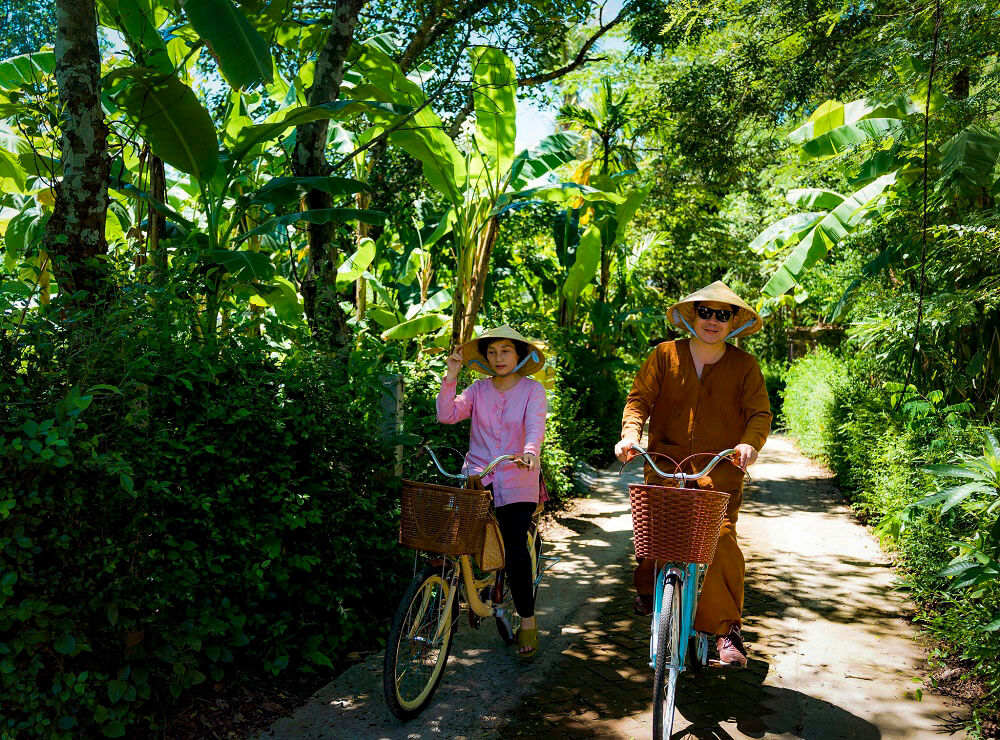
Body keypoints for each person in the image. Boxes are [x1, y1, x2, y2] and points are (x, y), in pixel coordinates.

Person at [614, 281, 772, 667]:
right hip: (664, 469)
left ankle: (725, 629)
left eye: (723, 314)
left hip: (720, 473)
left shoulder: (745, 367)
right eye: (706, 312)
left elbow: (759, 415)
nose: (713, 321)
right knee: (656, 537)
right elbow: (639, 400)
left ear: (733, 321)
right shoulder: (664, 356)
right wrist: (630, 435)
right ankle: (652, 590)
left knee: (721, 542)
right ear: (693, 315)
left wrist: (750, 444)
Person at [437, 325, 547, 659]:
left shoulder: (532, 390)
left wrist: (530, 451)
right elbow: (446, 415)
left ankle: (527, 620)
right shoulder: (477, 390)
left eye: (505, 351)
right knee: (455, 541)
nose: (498, 358)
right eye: (492, 352)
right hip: (478, 478)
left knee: (514, 550)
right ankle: (463, 596)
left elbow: (534, 427)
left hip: (517, 479)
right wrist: (451, 374)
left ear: (519, 355)